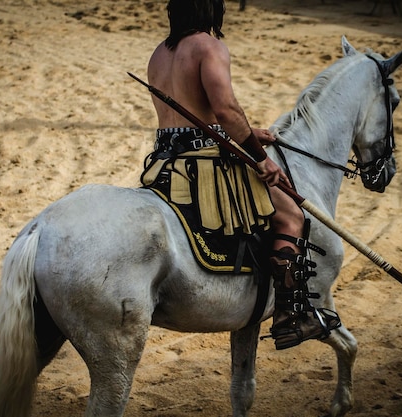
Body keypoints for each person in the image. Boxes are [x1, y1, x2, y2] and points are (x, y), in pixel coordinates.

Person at [142, 0, 340, 350]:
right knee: (291, 214)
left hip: (165, 161)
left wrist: (250, 131)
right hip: (205, 162)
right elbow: (225, 110)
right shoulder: (209, 46)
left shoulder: (160, 53)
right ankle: (291, 315)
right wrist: (260, 157)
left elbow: (198, 116)